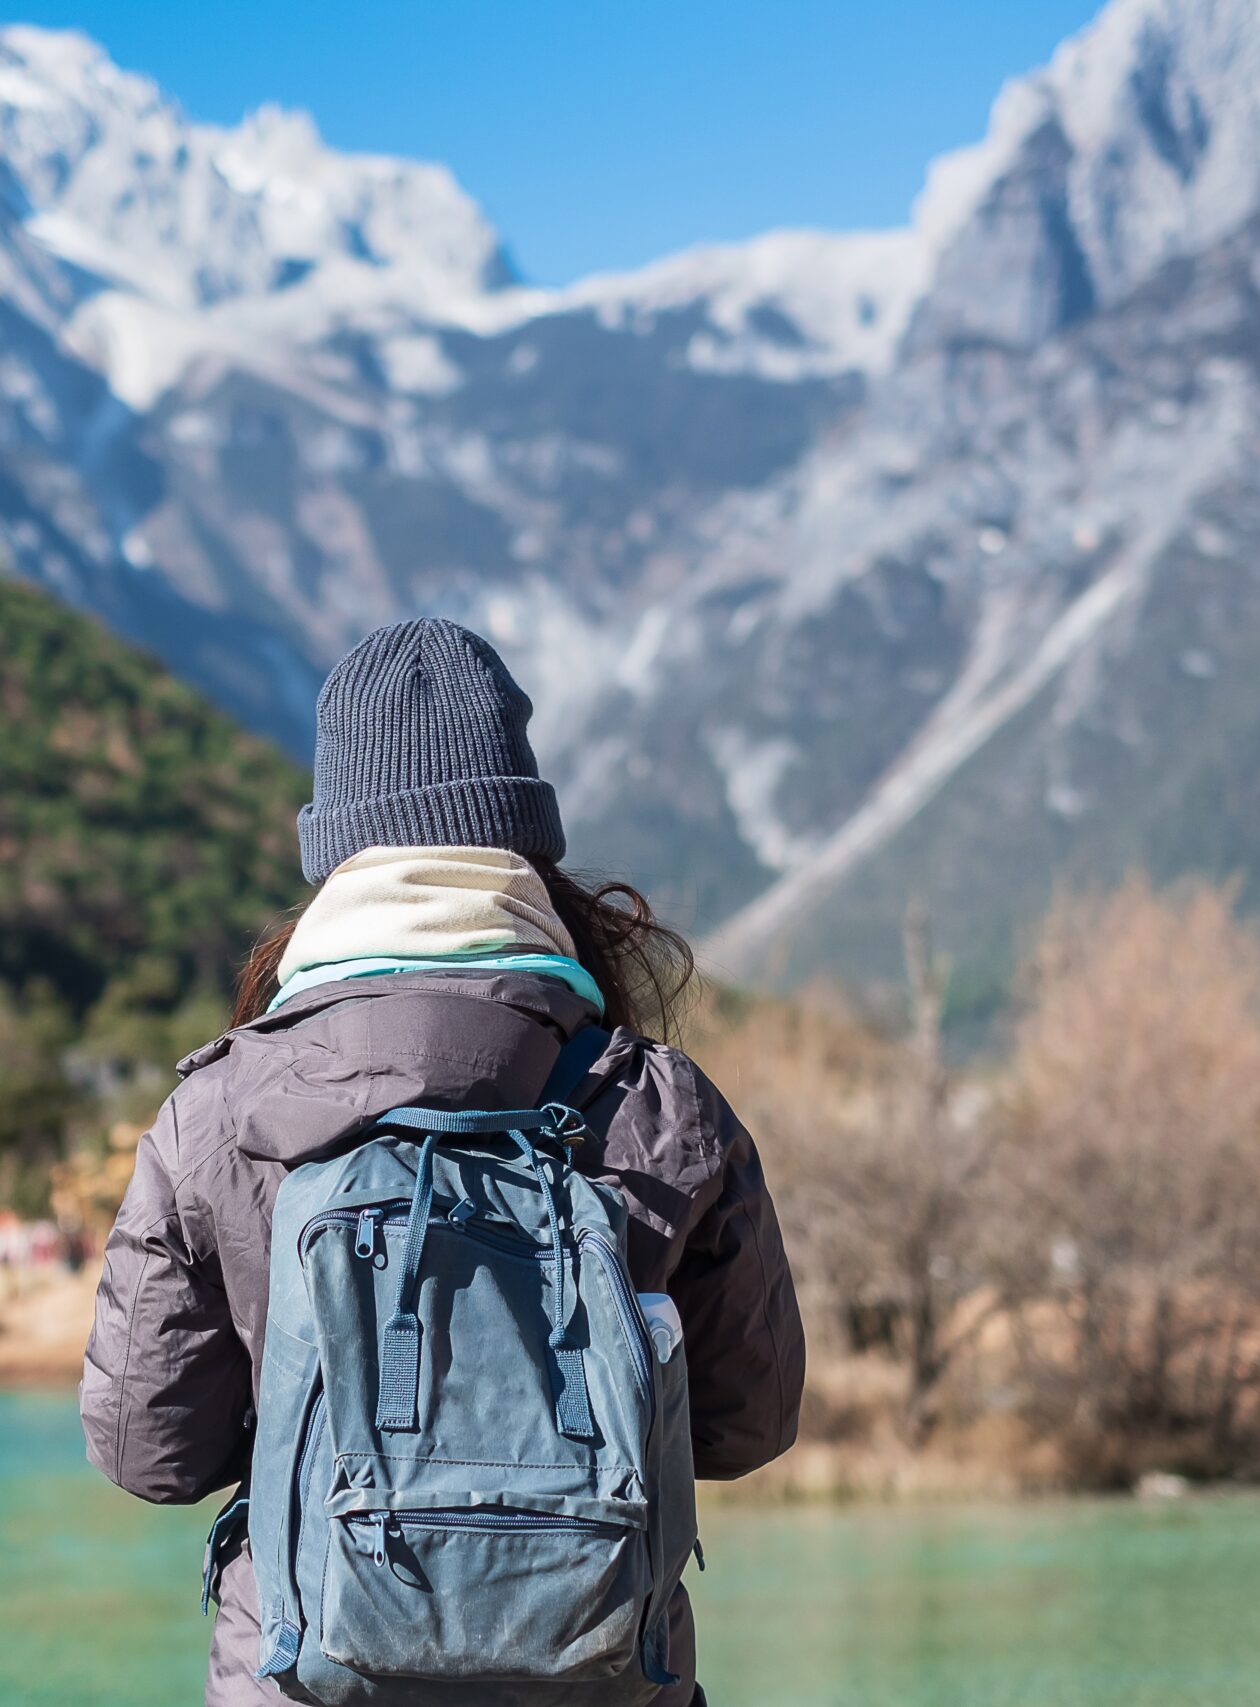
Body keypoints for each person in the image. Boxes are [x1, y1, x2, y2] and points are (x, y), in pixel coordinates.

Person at [82, 618, 804, 1705]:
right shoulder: (658, 1104)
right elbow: (747, 1426)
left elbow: (150, 1454)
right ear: (523, 842)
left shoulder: (218, 1110)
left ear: (333, 852)